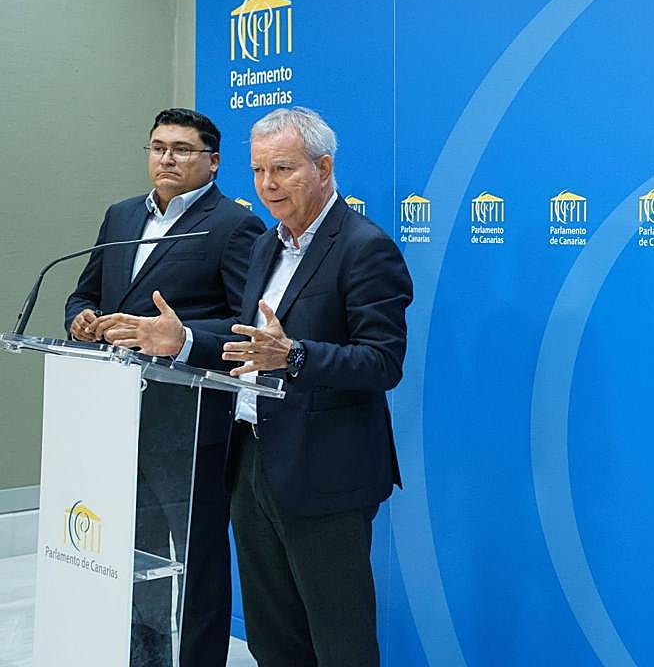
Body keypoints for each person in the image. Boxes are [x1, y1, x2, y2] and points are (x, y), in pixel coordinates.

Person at [111, 106, 413, 666]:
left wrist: (294, 355)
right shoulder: (267, 245)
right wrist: (181, 341)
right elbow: (244, 336)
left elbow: (381, 361)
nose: (269, 185)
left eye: (284, 169)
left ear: (323, 168)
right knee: (272, 637)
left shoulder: (365, 247)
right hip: (250, 459)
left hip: (326, 472)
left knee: (339, 637)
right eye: (258, 172)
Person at [65, 107, 265, 666]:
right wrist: (80, 319)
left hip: (192, 421)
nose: (166, 158)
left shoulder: (233, 225)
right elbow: (85, 294)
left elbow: (244, 325)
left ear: (213, 161)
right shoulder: (121, 215)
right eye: (158, 147)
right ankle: (144, 655)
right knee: (137, 551)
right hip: (118, 411)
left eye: (181, 149)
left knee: (196, 556)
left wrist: (176, 336)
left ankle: (201, 658)